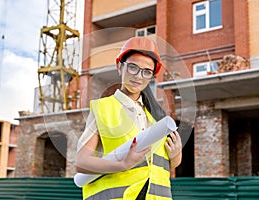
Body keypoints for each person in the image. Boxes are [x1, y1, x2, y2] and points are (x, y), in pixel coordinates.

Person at [75, 36, 182, 200]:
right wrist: (121, 165)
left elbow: (164, 165)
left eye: (147, 72)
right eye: (133, 68)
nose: (139, 76)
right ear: (119, 67)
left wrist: (175, 155)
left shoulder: (157, 118)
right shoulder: (104, 109)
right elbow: (82, 162)